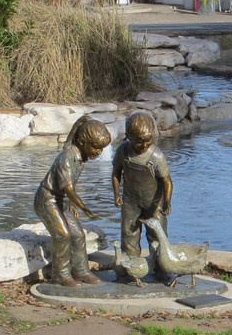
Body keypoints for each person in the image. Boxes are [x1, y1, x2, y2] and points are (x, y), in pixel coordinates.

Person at [35, 115, 112, 287]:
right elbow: (68, 188)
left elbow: (70, 138)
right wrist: (83, 207)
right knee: (63, 234)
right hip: (47, 199)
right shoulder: (67, 158)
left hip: (63, 201)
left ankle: (81, 271)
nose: (99, 153)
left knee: (78, 234)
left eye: (101, 149)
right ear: (84, 143)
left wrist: (80, 122)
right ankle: (60, 275)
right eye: (96, 148)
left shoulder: (78, 151)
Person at [112, 111, 173, 274]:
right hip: (130, 201)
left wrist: (167, 201)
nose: (144, 145)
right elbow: (116, 173)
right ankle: (130, 270)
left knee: (158, 235)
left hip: (154, 203)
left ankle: (161, 269)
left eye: (148, 140)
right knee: (129, 235)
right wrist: (116, 194)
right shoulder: (123, 152)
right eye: (139, 142)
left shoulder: (157, 156)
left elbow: (167, 181)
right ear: (128, 136)